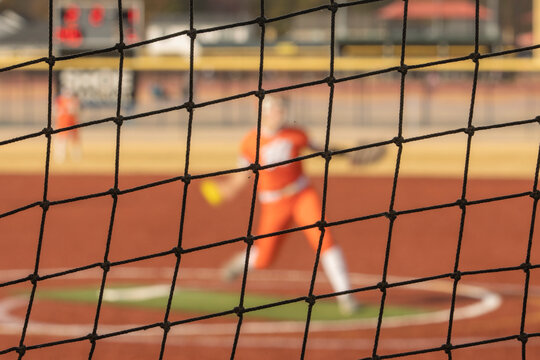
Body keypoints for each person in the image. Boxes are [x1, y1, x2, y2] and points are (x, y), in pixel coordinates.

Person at [200, 95, 359, 315]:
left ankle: (346, 297)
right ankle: (241, 263)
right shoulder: (250, 141)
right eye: (276, 110)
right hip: (274, 203)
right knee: (264, 259)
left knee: (324, 239)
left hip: (302, 195)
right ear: (264, 113)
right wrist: (225, 189)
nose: (280, 114)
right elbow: (242, 175)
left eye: (282, 110)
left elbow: (322, 149)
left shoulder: (296, 134)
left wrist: (348, 155)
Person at [54, 90, 82, 163]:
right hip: (64, 122)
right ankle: (60, 157)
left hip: (70, 122)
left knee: (72, 140)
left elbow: (76, 111)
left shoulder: (72, 100)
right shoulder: (61, 100)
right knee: (62, 140)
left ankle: (74, 157)